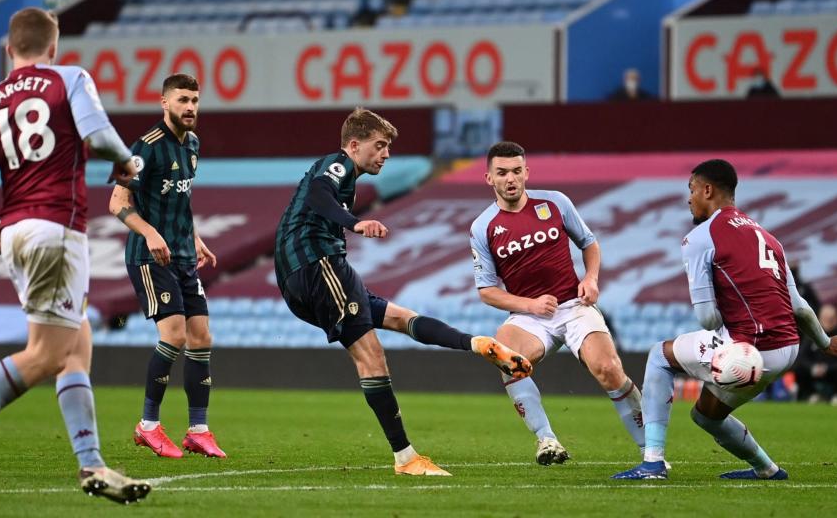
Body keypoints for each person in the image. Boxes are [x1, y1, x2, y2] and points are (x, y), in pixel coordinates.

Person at [0, 7, 151, 504]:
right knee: (47, 355)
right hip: (56, 229)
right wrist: (127, 160)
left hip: (15, 230)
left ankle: (91, 465)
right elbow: (96, 136)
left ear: (10, 51)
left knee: (76, 344)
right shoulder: (67, 78)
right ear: (53, 47)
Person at [274, 107, 533, 477]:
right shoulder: (338, 164)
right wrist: (355, 222)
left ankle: (478, 344)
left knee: (398, 317)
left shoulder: (343, 176)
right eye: (379, 146)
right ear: (354, 144)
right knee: (371, 357)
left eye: (388, 147)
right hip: (317, 264)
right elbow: (318, 195)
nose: (386, 154)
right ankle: (406, 458)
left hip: (303, 277)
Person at [612, 159, 837, 480]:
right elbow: (798, 307)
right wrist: (824, 342)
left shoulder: (700, 238)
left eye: (691, 190)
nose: (689, 199)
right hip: (787, 350)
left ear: (708, 190)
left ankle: (653, 463)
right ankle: (767, 469)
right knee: (706, 416)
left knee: (660, 355)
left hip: (750, 347)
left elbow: (708, 318)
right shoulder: (769, 238)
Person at [470, 141, 645, 466]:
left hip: (574, 306)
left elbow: (589, 244)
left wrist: (591, 279)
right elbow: (487, 291)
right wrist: (530, 305)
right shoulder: (483, 227)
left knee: (608, 370)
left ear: (527, 172)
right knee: (506, 357)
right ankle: (546, 440)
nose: (511, 179)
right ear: (489, 178)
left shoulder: (554, 203)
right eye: (502, 172)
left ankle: (652, 452)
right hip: (530, 315)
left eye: (517, 171)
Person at [108, 73, 225, 459]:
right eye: (182, 100)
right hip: (148, 256)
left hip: (183, 256)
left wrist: (195, 238)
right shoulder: (145, 148)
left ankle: (198, 430)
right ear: (164, 103)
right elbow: (117, 202)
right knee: (174, 334)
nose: (190, 107)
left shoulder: (193, 144)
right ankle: (148, 425)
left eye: (194, 100)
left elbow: (181, 201)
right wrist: (150, 234)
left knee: (201, 336)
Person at [794, 304, 837, 404]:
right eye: (825, 318)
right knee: (799, 369)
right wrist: (813, 367)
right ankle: (812, 395)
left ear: (836, 319)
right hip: (814, 369)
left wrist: (827, 368)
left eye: (831, 319)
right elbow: (802, 356)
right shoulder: (811, 333)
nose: (828, 322)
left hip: (833, 370)